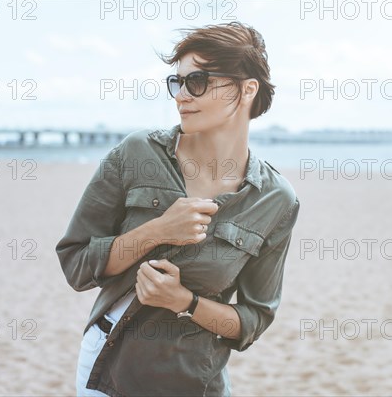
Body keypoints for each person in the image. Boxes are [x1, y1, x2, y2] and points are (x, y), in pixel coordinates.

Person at [55, 21, 300, 397]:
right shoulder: (136, 154)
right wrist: (156, 231)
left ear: (247, 89)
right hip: (110, 370)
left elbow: (253, 321)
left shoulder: (276, 200)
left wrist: (185, 302)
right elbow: (76, 264)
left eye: (198, 81)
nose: (182, 95)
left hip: (196, 381)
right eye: (178, 81)